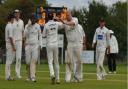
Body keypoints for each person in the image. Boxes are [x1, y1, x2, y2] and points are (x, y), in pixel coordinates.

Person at [59, 10, 82, 83]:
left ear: (71, 14)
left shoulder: (75, 19)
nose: (67, 16)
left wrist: (64, 22)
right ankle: (67, 78)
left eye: (68, 15)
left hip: (77, 43)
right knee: (68, 61)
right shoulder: (64, 22)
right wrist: (53, 21)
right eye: (66, 15)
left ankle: (78, 77)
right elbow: (59, 27)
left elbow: (72, 24)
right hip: (70, 44)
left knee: (79, 61)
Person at [42, 12, 63, 84]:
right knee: (56, 62)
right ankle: (58, 79)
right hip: (56, 44)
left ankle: (52, 75)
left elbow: (43, 35)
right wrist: (58, 19)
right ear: (53, 17)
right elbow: (62, 25)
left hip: (49, 44)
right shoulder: (56, 23)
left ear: (48, 17)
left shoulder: (46, 25)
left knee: (50, 61)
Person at [24, 14, 42, 82]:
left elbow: (40, 35)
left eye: (34, 19)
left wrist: (40, 45)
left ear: (35, 19)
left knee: (33, 61)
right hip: (28, 45)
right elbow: (24, 35)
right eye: (32, 19)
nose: (33, 20)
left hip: (35, 46)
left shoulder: (37, 26)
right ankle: (28, 76)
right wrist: (28, 26)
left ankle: (33, 77)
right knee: (28, 62)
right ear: (30, 19)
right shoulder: (27, 26)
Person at [13, 9, 24, 79]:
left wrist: (23, 41)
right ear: (14, 14)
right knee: (11, 59)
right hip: (13, 42)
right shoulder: (12, 21)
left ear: (19, 14)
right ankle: (8, 74)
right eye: (16, 13)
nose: (17, 14)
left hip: (19, 41)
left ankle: (17, 74)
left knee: (19, 58)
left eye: (18, 13)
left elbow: (23, 32)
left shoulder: (22, 21)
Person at [5, 14, 16, 80]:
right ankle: (8, 76)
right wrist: (13, 46)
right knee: (9, 61)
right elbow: (11, 37)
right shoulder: (10, 26)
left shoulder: (8, 25)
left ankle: (8, 76)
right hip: (10, 45)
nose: (14, 20)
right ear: (11, 19)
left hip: (8, 44)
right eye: (13, 18)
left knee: (9, 60)